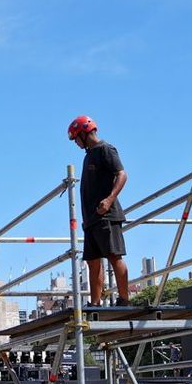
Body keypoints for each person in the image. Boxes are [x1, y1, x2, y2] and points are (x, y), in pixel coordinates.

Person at [68, 116, 130, 307]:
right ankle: (95, 301)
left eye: (76, 139)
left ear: (84, 134)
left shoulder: (105, 149)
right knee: (93, 261)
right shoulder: (88, 155)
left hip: (107, 215)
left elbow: (122, 174)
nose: (76, 143)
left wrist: (109, 199)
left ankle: (124, 299)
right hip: (92, 219)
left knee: (113, 255)